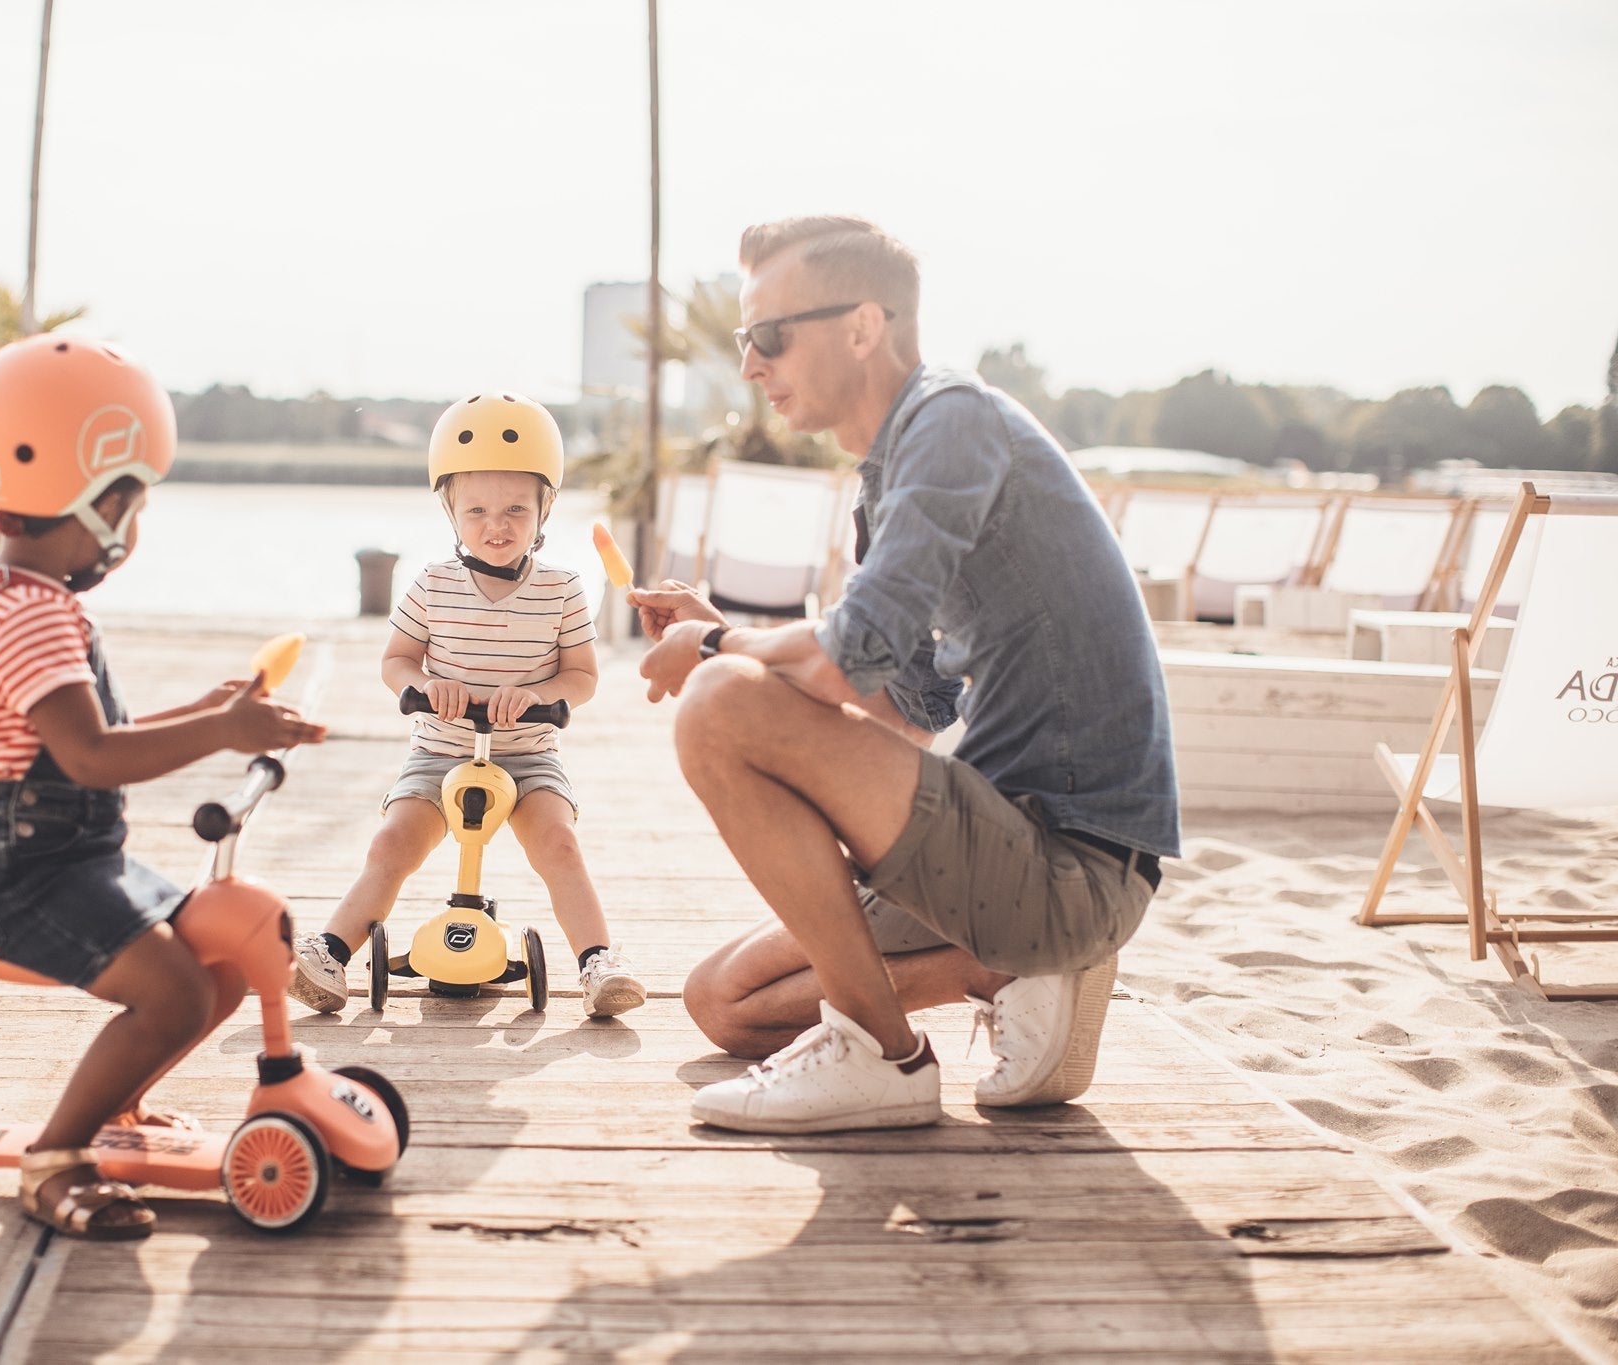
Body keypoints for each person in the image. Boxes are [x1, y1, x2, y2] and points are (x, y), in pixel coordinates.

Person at [632, 216, 1177, 1135]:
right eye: (744, 341)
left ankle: (883, 1058)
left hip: (1073, 860)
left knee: (717, 702)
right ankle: (996, 972)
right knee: (722, 1004)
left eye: (768, 335)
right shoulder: (887, 479)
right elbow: (904, 707)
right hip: (999, 843)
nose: (750, 365)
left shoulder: (952, 418)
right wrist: (727, 636)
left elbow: (848, 654)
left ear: (862, 326)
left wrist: (721, 655)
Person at [0, 332, 327, 1240]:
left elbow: (94, 740)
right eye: (133, 504)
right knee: (179, 994)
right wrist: (222, 731)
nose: (135, 528)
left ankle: (121, 1100)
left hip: (76, 862)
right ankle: (55, 1158)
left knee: (216, 966)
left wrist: (199, 709)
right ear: (93, 499)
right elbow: (89, 760)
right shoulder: (28, 618)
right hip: (23, 877)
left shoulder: (21, 599)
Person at [288, 392, 646, 1019]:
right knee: (393, 843)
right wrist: (426, 688)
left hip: (529, 755)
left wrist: (539, 696)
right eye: (476, 509)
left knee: (559, 844)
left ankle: (598, 962)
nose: (496, 525)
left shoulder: (561, 589)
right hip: (439, 749)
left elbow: (582, 676)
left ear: (545, 509)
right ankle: (332, 953)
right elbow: (395, 660)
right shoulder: (432, 584)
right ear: (450, 510)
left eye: (515, 508)